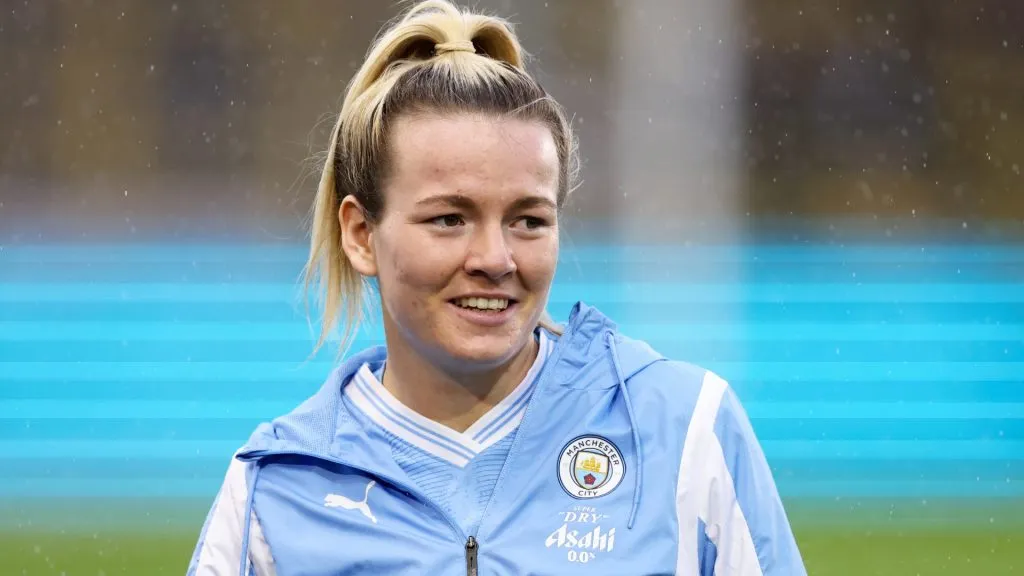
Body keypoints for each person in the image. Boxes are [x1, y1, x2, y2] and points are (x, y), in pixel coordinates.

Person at [187, 1, 806, 574]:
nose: (494, 258)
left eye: (528, 220)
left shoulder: (684, 428)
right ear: (360, 234)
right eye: (449, 219)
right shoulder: (275, 489)